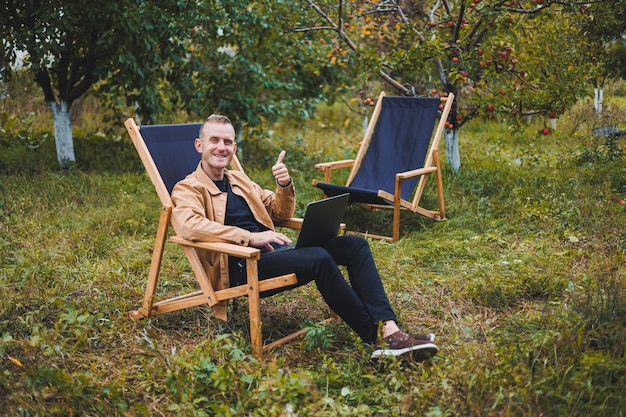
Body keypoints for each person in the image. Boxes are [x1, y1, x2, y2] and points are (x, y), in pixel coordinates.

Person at [170, 114, 438, 359]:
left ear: (234, 148)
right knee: (319, 257)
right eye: (214, 140)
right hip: (242, 265)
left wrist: (283, 184)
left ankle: (390, 328)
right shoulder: (188, 188)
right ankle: (376, 338)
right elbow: (188, 225)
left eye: (227, 141)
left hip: (274, 254)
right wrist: (249, 237)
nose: (221, 147)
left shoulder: (240, 180)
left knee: (354, 245)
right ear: (199, 145)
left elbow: (278, 210)